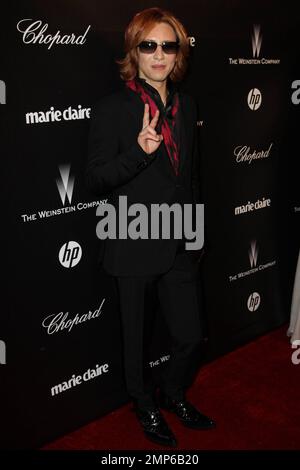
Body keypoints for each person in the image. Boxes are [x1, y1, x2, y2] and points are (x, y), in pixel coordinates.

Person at [86, 7, 215, 447]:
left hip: (179, 239)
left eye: (168, 45)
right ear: (134, 52)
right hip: (133, 238)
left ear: (178, 53)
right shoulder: (112, 108)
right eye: (149, 45)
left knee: (191, 336)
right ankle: (143, 404)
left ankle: (173, 392)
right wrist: (140, 153)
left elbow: (191, 175)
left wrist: (194, 233)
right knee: (135, 341)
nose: (159, 55)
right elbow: (96, 177)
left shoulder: (187, 104)